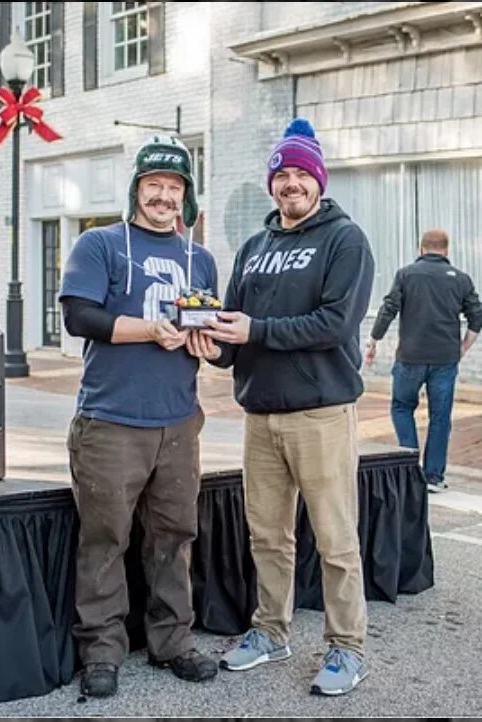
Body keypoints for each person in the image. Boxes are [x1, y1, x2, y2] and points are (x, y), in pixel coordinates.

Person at [186, 118, 375, 696]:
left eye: (301, 174)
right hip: (260, 415)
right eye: (282, 174)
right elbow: (235, 333)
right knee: (267, 535)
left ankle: (348, 647)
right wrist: (211, 345)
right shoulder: (253, 248)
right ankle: (271, 630)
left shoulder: (345, 240)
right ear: (272, 183)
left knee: (335, 539)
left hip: (320, 413)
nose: (292, 183)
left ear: (319, 180)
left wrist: (256, 330)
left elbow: (334, 324)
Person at [59, 135, 218, 698]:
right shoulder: (100, 243)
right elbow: (79, 316)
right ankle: (102, 651)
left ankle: (172, 641)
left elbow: (211, 332)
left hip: (179, 419)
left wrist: (210, 344)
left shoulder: (200, 258)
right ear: (136, 189)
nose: (163, 196)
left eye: (174, 187)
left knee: (175, 536)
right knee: (105, 539)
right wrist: (148, 330)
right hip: (110, 420)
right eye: (154, 184)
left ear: (186, 196)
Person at [365, 228, 482, 492]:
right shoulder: (461, 279)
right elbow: (477, 317)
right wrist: (463, 348)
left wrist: (373, 341)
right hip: (445, 359)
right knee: (440, 417)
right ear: (446, 250)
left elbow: (388, 308)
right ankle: (433, 477)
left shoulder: (406, 274)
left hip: (410, 356)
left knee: (402, 408)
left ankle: (409, 472)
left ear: (421, 248)